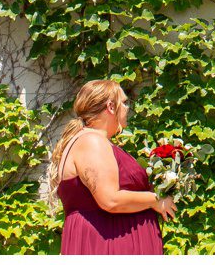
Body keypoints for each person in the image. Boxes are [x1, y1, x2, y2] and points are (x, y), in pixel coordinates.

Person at [52, 79, 175, 255]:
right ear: (110, 106)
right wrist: (155, 200)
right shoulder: (91, 141)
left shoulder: (92, 141)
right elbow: (110, 200)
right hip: (106, 243)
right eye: (124, 103)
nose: (127, 108)